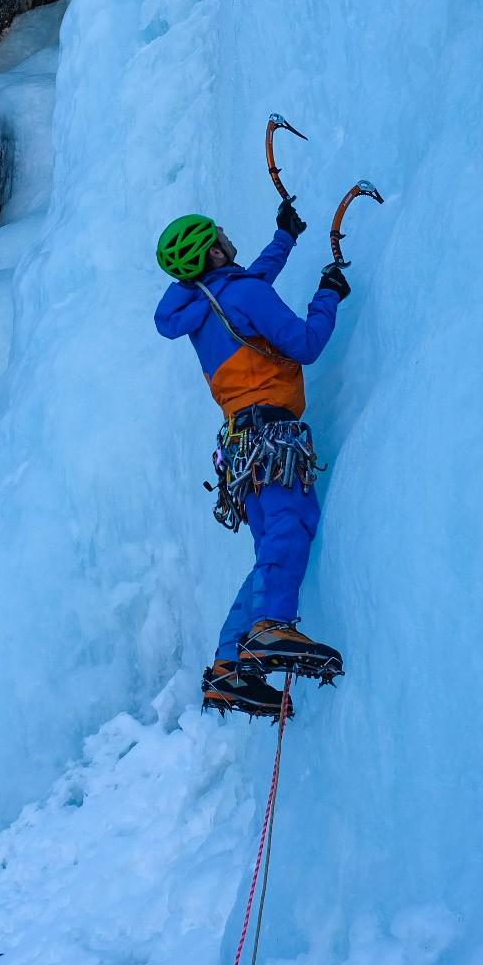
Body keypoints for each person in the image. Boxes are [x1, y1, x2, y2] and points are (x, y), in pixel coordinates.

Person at [153, 199, 350, 717]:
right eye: (219, 233)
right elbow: (305, 344)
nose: (225, 232)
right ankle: (269, 629)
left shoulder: (201, 302)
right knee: (291, 524)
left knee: (271, 552)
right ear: (213, 253)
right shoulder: (241, 293)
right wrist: (328, 295)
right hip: (275, 436)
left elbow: (249, 284)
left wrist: (284, 238)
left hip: (241, 445)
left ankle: (227, 668)